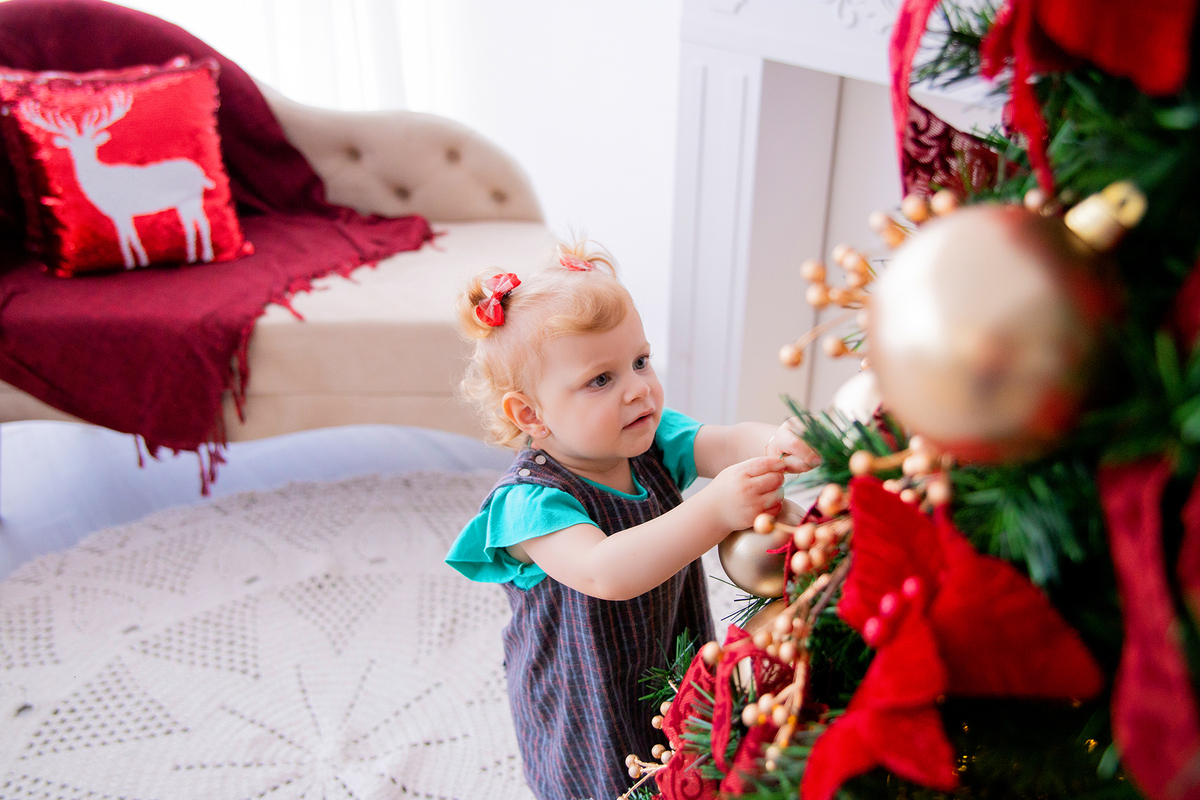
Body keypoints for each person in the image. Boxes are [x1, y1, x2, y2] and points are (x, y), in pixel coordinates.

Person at [445, 240, 815, 800]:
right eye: (602, 380)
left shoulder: (651, 443)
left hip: (670, 659)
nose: (639, 387)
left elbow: (726, 441)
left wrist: (777, 441)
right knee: (609, 786)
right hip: (585, 704)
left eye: (640, 361)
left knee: (689, 758)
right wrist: (715, 509)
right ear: (530, 414)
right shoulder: (529, 504)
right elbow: (606, 571)